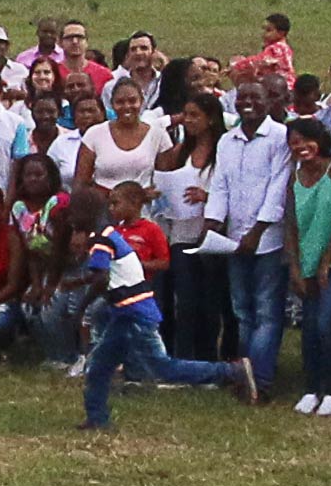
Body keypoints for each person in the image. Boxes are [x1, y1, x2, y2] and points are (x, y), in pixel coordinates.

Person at [79, 180, 260, 430]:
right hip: (126, 311)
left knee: (162, 367)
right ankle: (97, 419)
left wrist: (81, 308)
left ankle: (230, 372)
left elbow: (101, 278)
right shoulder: (110, 234)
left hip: (134, 314)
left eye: (73, 213)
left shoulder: (101, 239)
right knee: (100, 365)